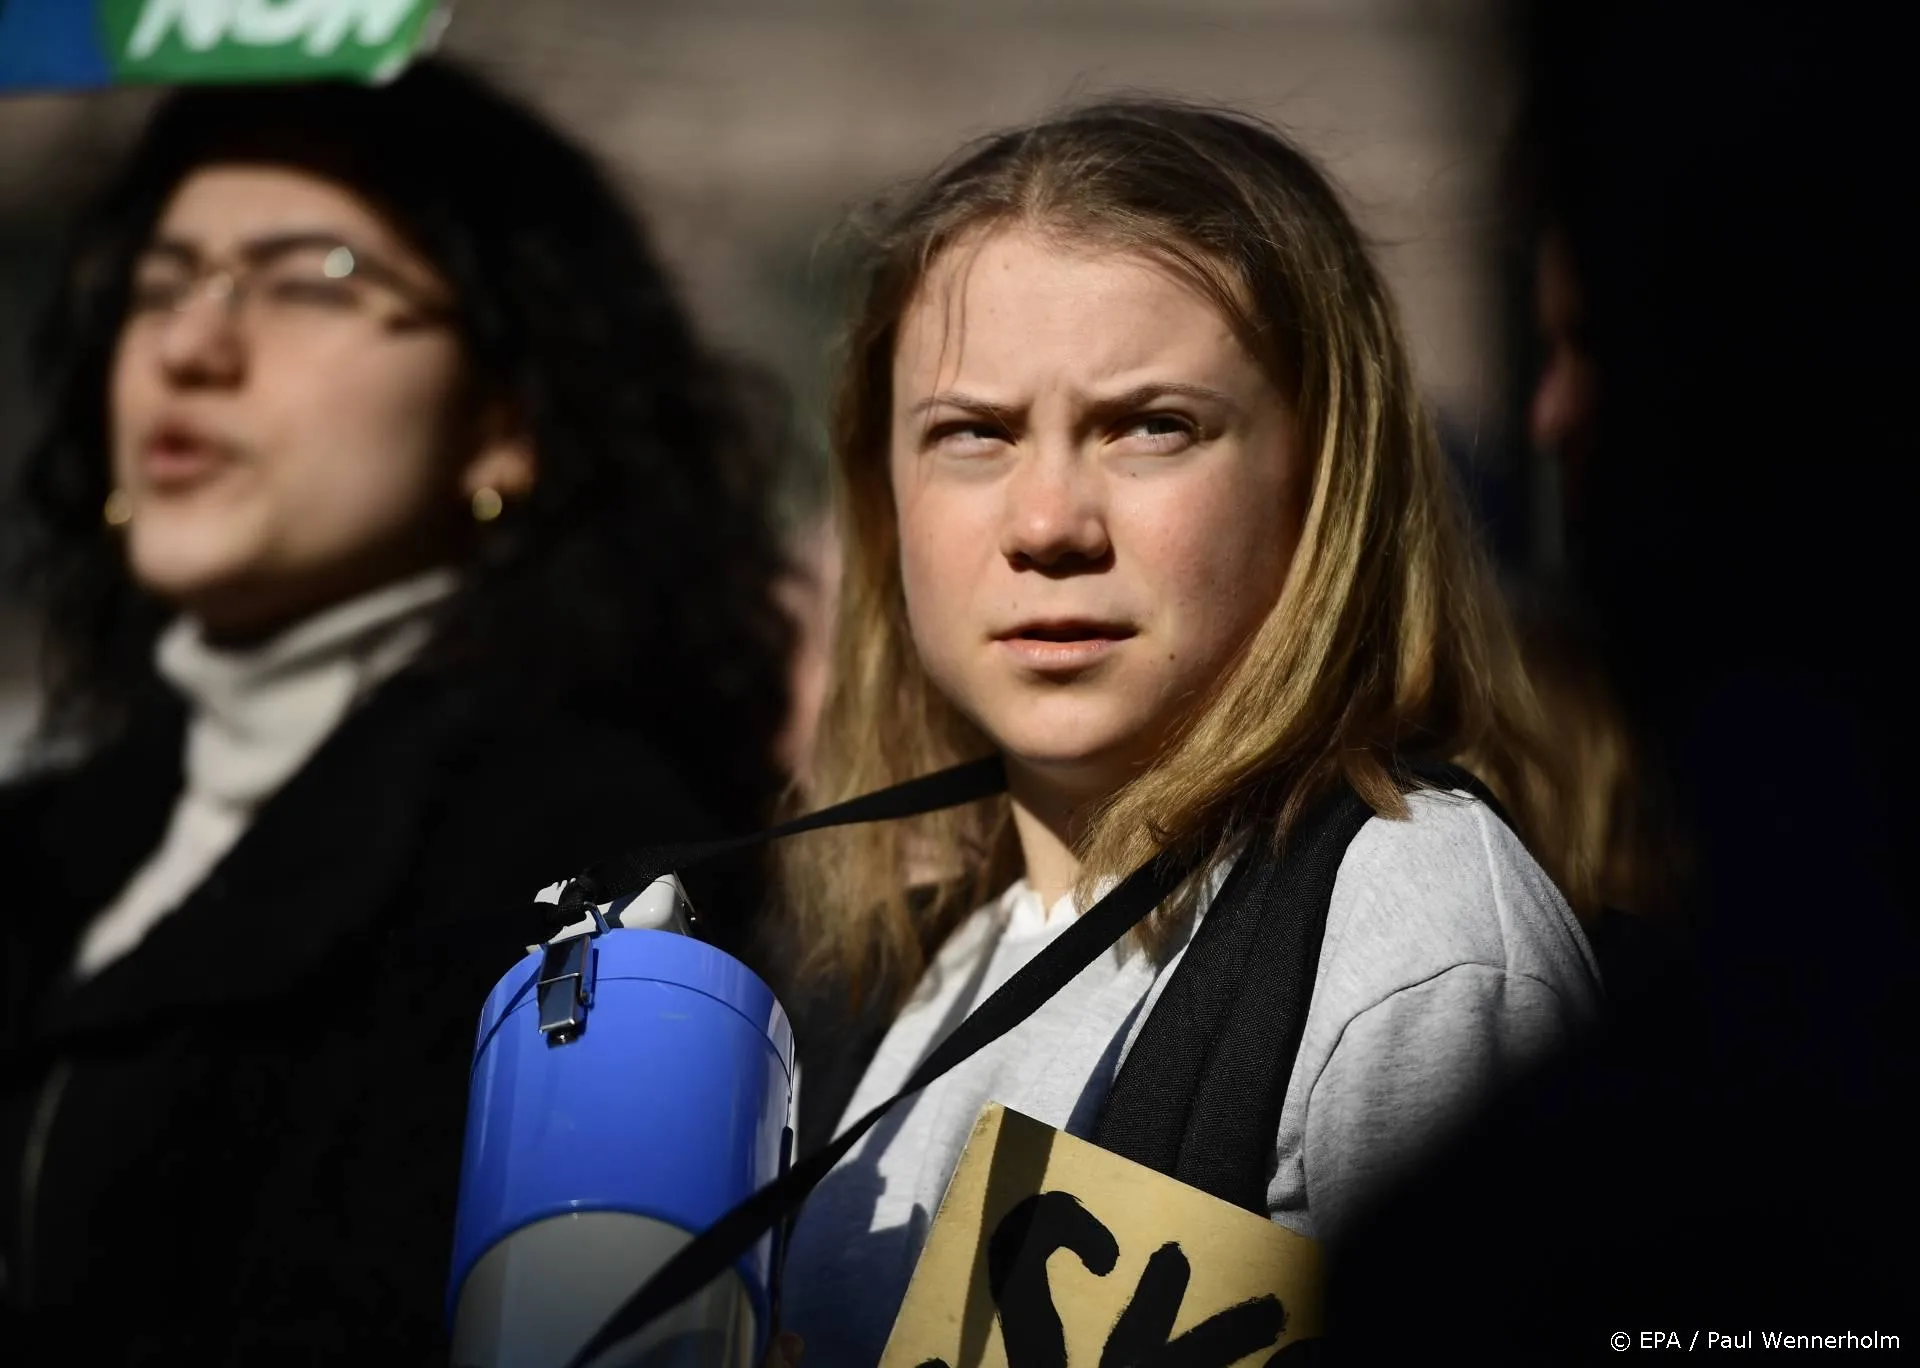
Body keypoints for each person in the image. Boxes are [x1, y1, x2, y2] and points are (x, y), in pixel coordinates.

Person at [770, 100, 1603, 1362]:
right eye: (973, 434)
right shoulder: (903, 952)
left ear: (1325, 479)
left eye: (1152, 426)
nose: (1048, 522)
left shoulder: (1413, 933)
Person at [0, 61, 793, 1361]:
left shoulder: (585, 867)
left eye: (314, 279)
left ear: (506, 423)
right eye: (157, 283)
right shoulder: (51, 841)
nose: (193, 348)